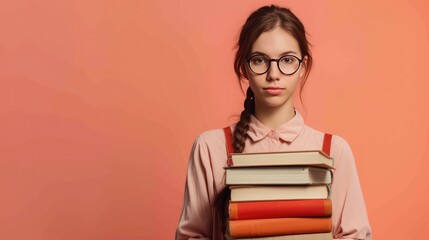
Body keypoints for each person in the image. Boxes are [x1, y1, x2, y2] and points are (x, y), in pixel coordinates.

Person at [175, 5, 371, 240]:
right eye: (260, 60)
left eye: (287, 60)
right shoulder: (209, 148)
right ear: (244, 67)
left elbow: (356, 235)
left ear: (303, 67)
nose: (273, 74)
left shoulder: (334, 151)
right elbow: (191, 236)